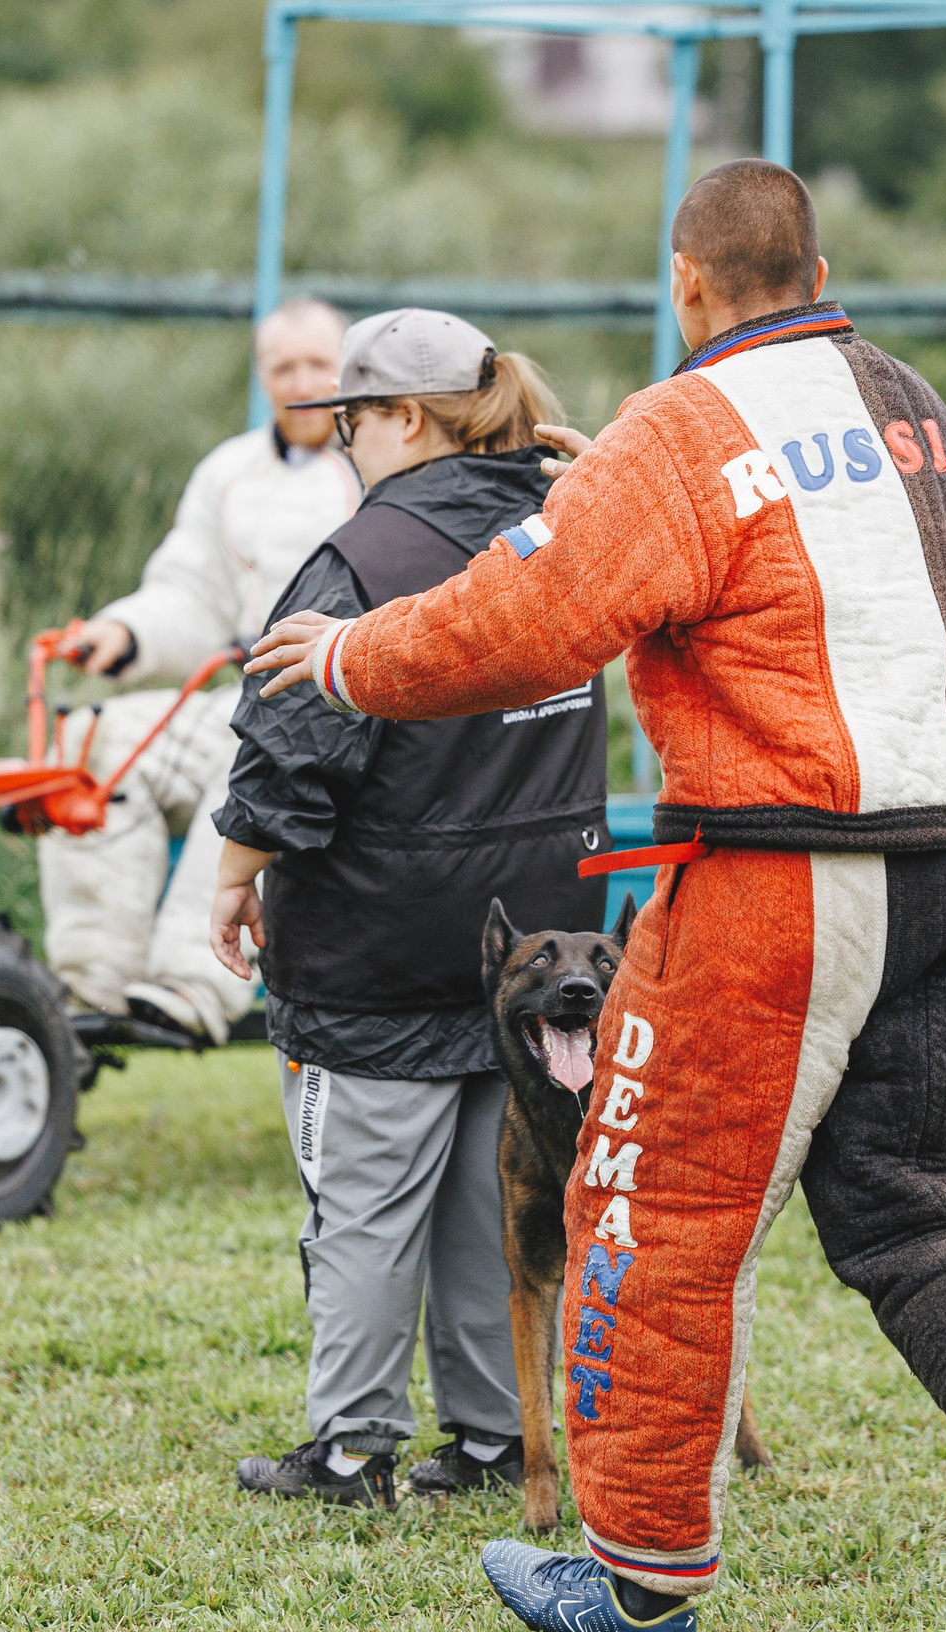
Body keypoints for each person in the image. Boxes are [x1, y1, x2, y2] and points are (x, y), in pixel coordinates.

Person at [247, 163, 946, 1632]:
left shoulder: (679, 432)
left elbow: (513, 622)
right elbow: (802, 558)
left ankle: (641, 1586)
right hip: (943, 865)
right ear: (819, 263)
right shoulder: (905, 399)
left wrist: (342, 661)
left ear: (687, 284)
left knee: (646, 1217)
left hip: (771, 873)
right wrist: (622, 491)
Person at [206, 308, 609, 1509]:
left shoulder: (363, 561)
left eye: (353, 424)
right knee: (504, 1192)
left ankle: (349, 1451)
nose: (342, 447)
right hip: (539, 953)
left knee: (366, 1205)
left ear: (406, 420)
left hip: (378, 942)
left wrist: (234, 877)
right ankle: (494, 1438)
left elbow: (291, 749)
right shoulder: (569, 526)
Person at [37, 298, 362, 1044]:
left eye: (319, 364)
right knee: (90, 742)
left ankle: (194, 981)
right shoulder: (228, 473)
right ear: (263, 376)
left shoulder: (374, 469)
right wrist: (125, 631)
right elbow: (188, 593)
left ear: (346, 372)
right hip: (237, 689)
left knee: (251, 750)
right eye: (285, 367)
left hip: (338, 707)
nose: (303, 380)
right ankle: (91, 984)